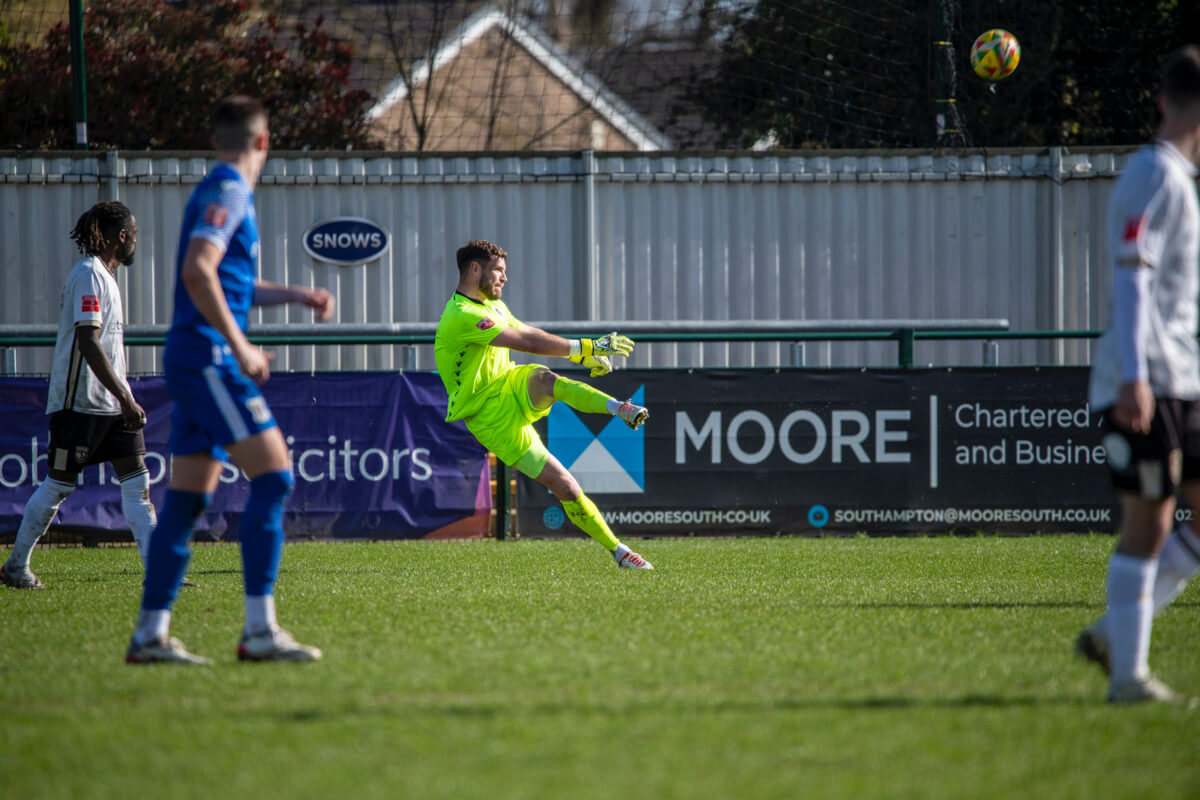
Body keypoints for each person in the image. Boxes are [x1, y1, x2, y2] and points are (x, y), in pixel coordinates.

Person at [125, 96, 335, 665]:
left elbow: (228, 281)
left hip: (196, 356)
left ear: (217, 138)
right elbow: (199, 271)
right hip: (211, 359)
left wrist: (294, 294)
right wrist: (240, 345)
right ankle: (260, 630)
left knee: (187, 503)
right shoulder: (230, 189)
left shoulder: (217, 188)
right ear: (263, 142)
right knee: (274, 478)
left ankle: (150, 634)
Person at [1078, 45, 1200, 704]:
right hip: (1147, 380)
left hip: (1185, 378)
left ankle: (1114, 634)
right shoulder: (1155, 176)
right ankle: (1128, 675)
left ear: (1162, 99)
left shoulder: (1177, 180)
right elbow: (1132, 278)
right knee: (1149, 522)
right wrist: (1132, 375)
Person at [435, 239, 653, 569]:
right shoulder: (461, 315)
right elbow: (526, 341)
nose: (504, 278)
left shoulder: (493, 306)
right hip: (488, 417)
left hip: (508, 385)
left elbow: (526, 330)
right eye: (499, 270)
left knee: (546, 380)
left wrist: (584, 355)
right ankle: (619, 551)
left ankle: (619, 408)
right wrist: (587, 346)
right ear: (475, 269)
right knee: (565, 486)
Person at [2, 202, 159, 590]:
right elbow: (88, 340)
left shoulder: (107, 277)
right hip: (81, 403)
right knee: (59, 485)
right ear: (120, 235)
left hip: (111, 404)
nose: (134, 241)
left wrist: (120, 399)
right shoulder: (89, 275)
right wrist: (125, 396)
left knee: (138, 484)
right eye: (132, 234)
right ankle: (16, 567)